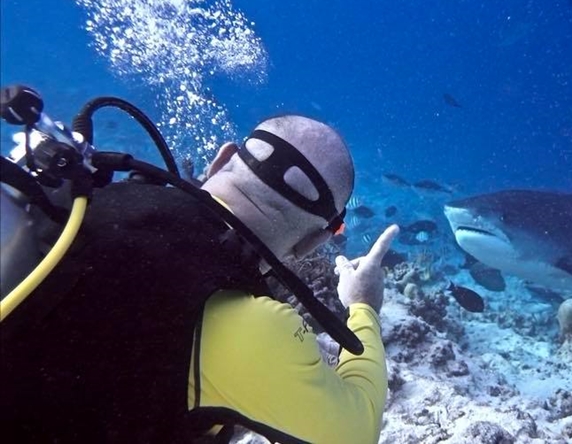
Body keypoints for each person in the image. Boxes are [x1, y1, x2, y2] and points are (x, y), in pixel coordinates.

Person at [0, 114, 399, 443]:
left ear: (220, 159)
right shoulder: (255, 326)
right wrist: (363, 306)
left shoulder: (83, 201)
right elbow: (355, 433)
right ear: (313, 242)